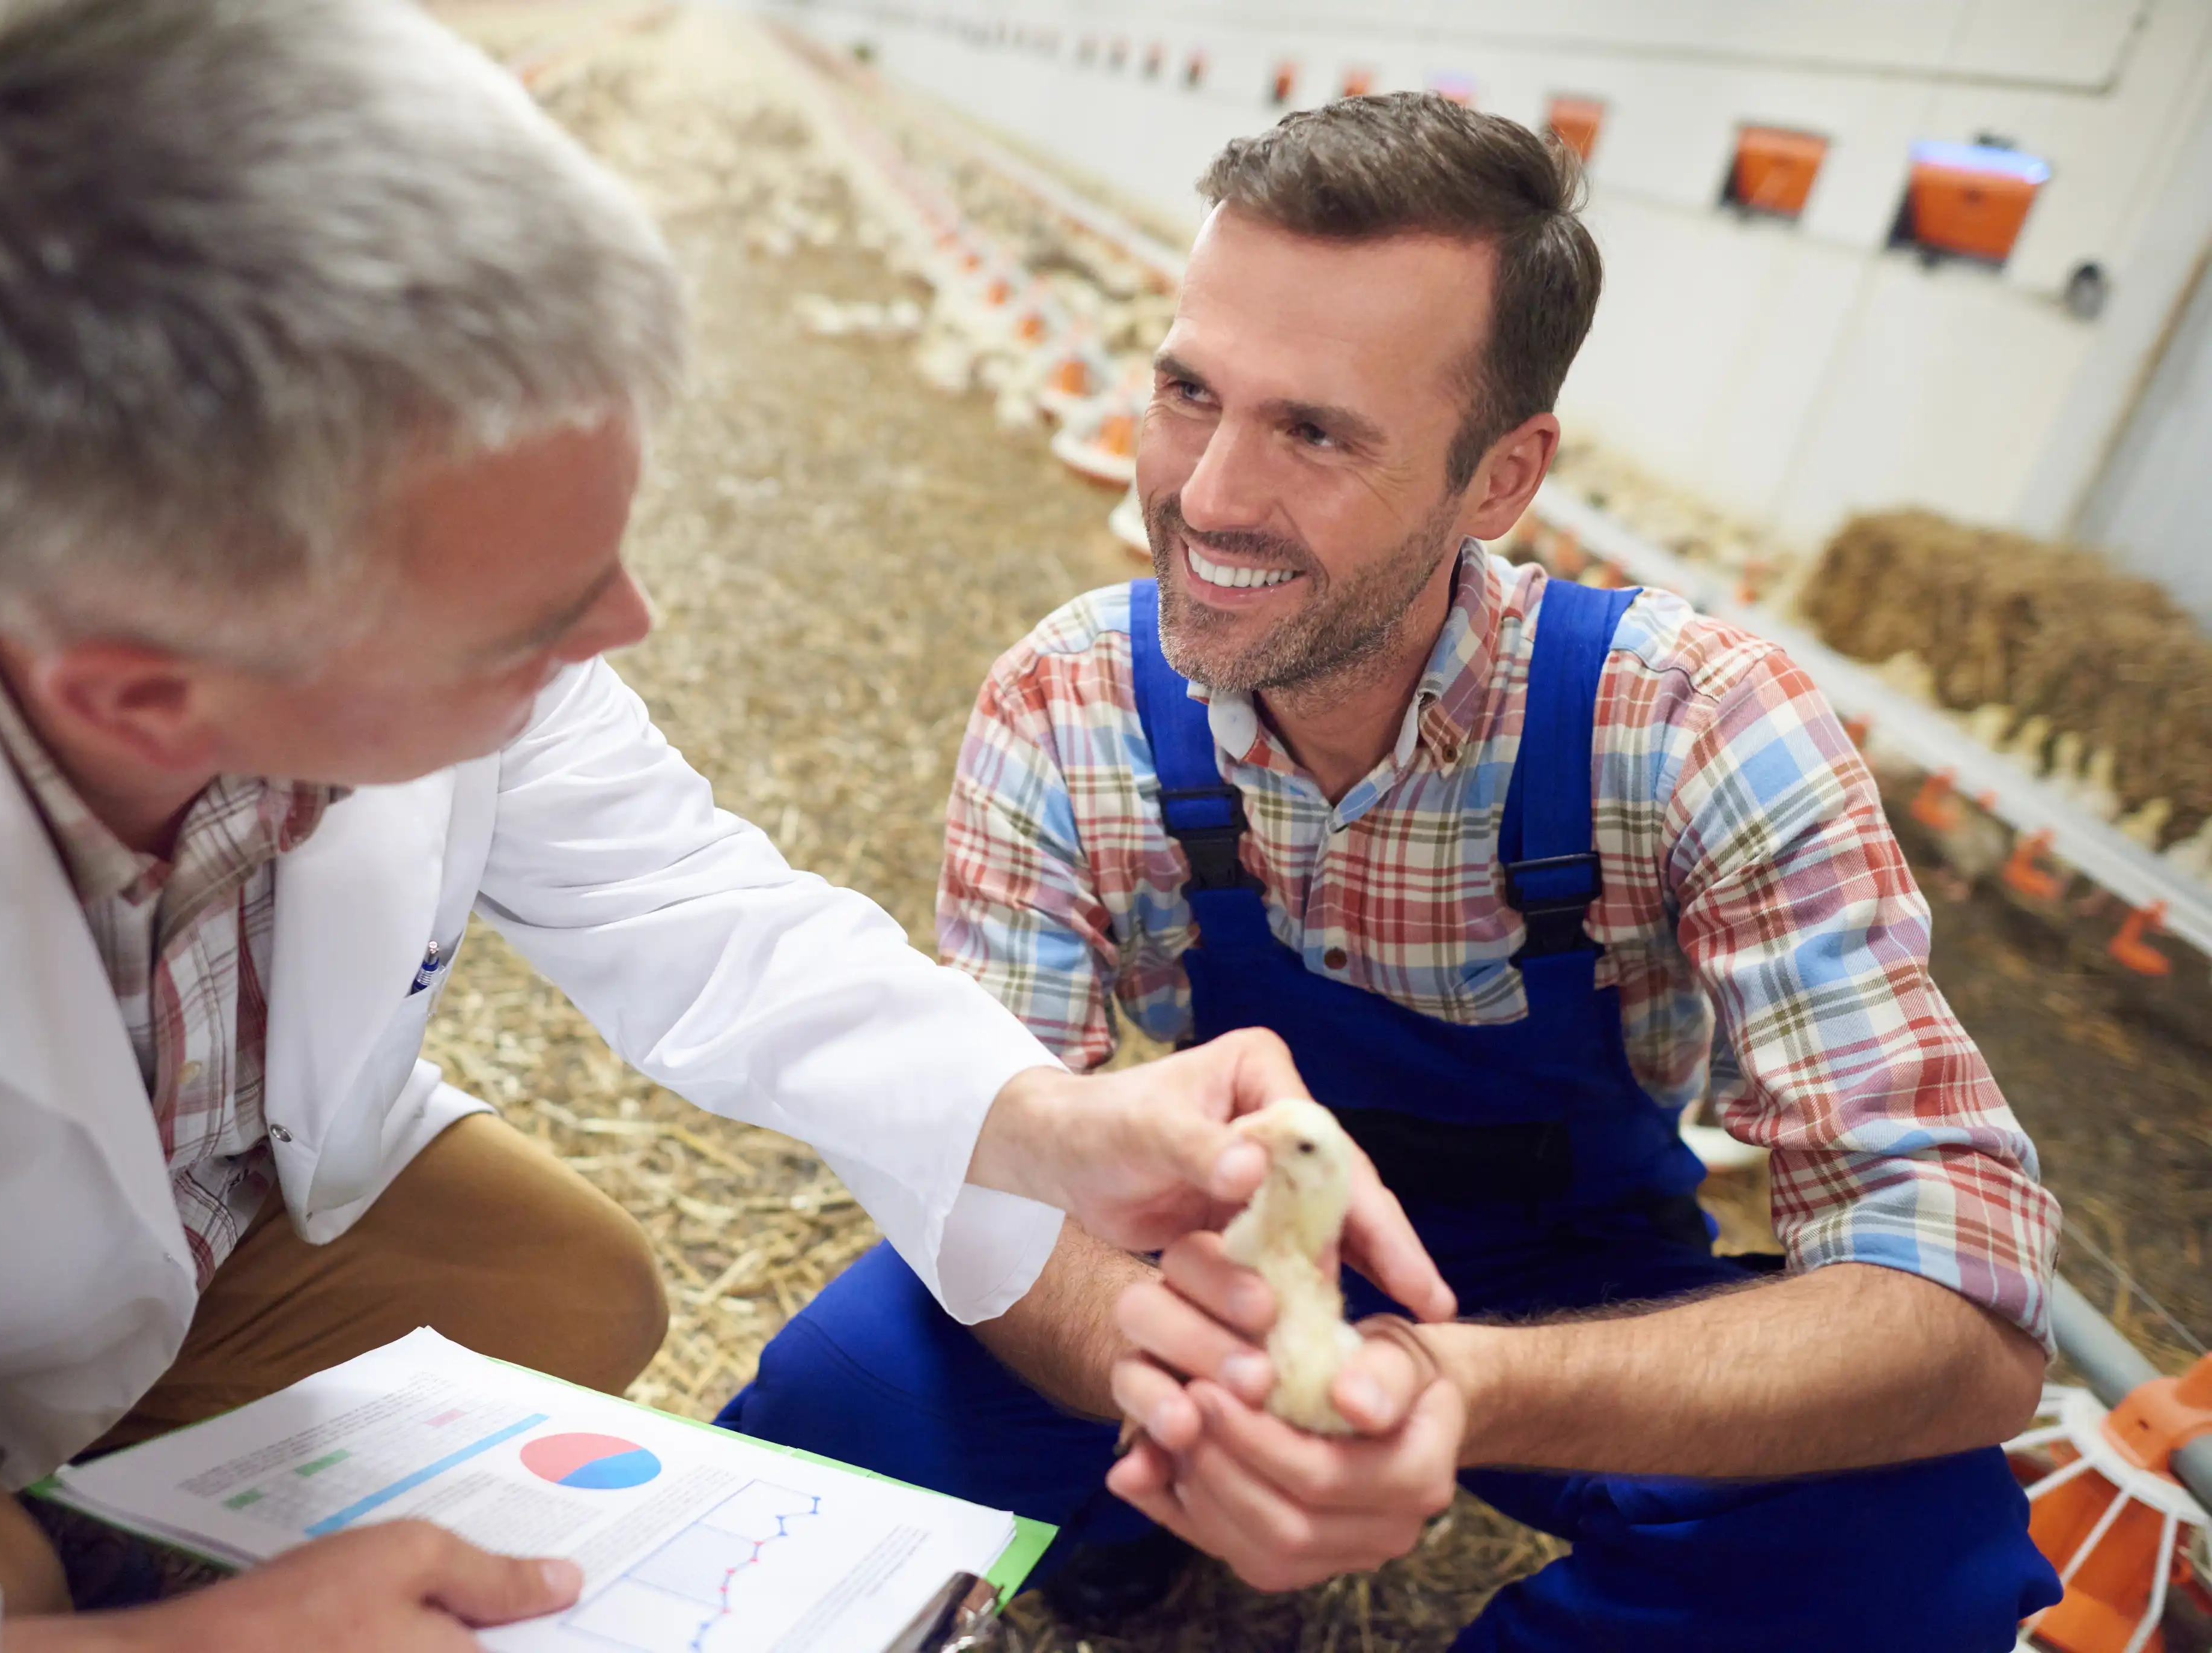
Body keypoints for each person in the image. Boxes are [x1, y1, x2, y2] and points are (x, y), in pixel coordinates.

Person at [0, 4, 1417, 1649]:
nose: (618, 626)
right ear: (139, 696)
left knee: (566, 1293)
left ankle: (104, 1483)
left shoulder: (288, 544)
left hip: (174, 1201)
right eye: (524, 625)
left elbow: (689, 901)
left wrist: (1052, 1123)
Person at [719, 94, 2067, 1650]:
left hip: (1570, 1284)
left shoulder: (1692, 725)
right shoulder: (1070, 704)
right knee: (835, 1413)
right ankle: (1131, 1516)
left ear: (1501, 478)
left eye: (1316, 431)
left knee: (1912, 1554)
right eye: (1188, 391)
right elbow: (991, 1153)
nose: (1209, 496)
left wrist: (1442, 1383)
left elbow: (1963, 1310)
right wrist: (1204, 1378)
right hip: (1206, 1249)